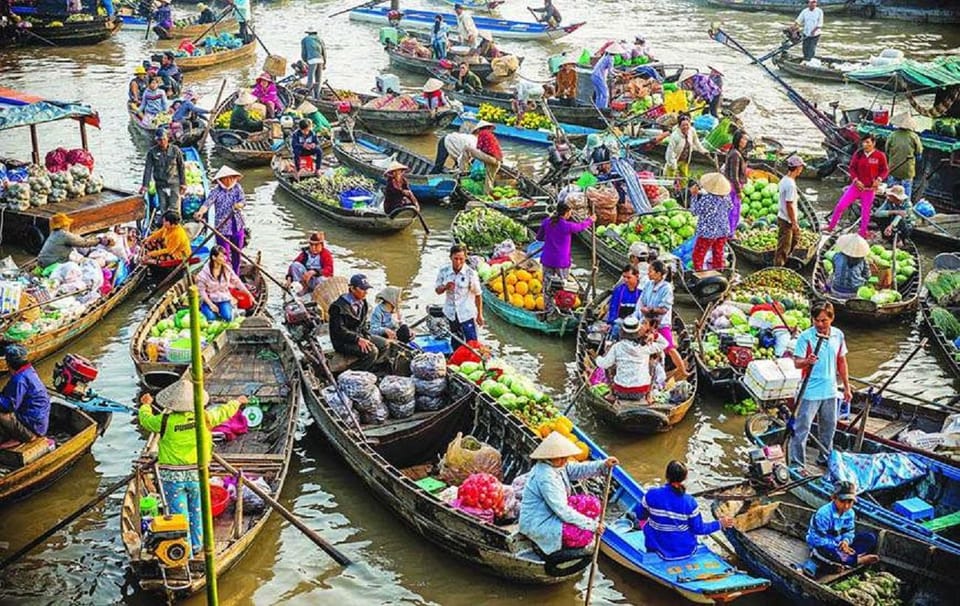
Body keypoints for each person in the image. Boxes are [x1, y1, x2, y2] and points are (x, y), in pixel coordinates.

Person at [138, 377, 244, 556]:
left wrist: (145, 405)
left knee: (179, 514)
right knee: (197, 510)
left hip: (172, 478)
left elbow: (146, 420)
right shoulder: (204, 417)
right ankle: (196, 545)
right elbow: (223, 412)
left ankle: (184, 548)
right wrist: (237, 402)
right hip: (197, 474)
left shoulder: (164, 421)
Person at [519, 432, 618, 557]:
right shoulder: (545, 477)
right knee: (584, 535)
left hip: (552, 509)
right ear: (549, 458)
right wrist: (592, 526)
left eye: (565, 457)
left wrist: (603, 464)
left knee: (593, 504)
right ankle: (552, 546)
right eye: (560, 458)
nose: (564, 461)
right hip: (539, 521)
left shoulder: (558, 466)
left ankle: (582, 525)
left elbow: (578, 469)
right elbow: (562, 510)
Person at [791, 300, 850, 467]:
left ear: (831, 319)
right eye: (816, 320)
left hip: (830, 390)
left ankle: (824, 458)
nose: (820, 324)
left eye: (824, 320)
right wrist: (807, 361)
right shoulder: (806, 337)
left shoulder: (838, 335)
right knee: (802, 429)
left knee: (829, 428)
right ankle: (797, 463)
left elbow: (842, 362)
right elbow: (797, 362)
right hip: (809, 391)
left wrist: (846, 387)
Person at [635, 461, 734, 560]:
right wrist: (720, 524)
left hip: (657, 549)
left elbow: (640, 515)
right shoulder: (690, 502)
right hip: (686, 551)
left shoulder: (651, 495)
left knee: (646, 523)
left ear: (666, 476)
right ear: (685, 478)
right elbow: (699, 529)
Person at [806, 481, 879, 573]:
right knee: (827, 551)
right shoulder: (823, 514)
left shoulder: (850, 513)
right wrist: (838, 547)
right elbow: (816, 540)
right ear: (833, 498)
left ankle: (844, 561)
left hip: (840, 545)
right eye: (842, 501)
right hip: (824, 546)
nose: (846, 506)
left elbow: (849, 532)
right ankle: (857, 560)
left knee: (869, 538)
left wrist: (845, 542)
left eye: (850, 502)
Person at [536, 200, 594, 314]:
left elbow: (539, 237)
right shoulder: (567, 226)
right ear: (566, 213)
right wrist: (590, 220)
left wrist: (550, 239)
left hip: (548, 259)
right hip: (561, 262)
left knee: (547, 286)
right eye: (570, 212)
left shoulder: (547, 222)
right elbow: (581, 227)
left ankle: (549, 310)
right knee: (563, 287)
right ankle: (563, 309)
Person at [826, 134, 888, 238]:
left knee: (866, 211)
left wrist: (879, 179)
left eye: (868, 142)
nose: (865, 145)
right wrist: (855, 180)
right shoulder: (858, 154)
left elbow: (885, 170)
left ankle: (863, 232)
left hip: (869, 189)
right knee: (840, 206)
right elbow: (852, 168)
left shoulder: (880, 155)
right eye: (864, 142)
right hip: (856, 187)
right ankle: (831, 227)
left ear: (873, 143)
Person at [596, 315, 668, 402]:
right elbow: (665, 343)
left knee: (610, 366)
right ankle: (649, 395)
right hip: (641, 391)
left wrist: (598, 358)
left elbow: (604, 364)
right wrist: (655, 335)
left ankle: (612, 394)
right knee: (652, 365)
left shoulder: (617, 347)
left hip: (620, 391)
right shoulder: (645, 347)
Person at [636, 260, 687, 376]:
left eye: (651, 271)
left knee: (669, 347)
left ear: (659, 274)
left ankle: (682, 370)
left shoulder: (666, 288)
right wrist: (644, 310)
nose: (648, 273)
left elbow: (665, 308)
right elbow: (642, 300)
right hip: (647, 321)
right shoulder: (649, 284)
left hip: (661, 322)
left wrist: (652, 310)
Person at [328, 274, 388, 372]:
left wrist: (366, 336)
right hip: (343, 341)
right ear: (352, 288)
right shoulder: (338, 307)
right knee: (372, 351)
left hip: (359, 335)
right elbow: (339, 330)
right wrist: (357, 339)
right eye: (362, 289)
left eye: (366, 289)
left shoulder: (363, 303)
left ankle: (370, 366)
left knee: (384, 344)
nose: (365, 293)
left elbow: (363, 324)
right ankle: (354, 372)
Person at [193, 165, 247, 273]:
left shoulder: (237, 188)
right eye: (226, 178)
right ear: (221, 179)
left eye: (231, 177)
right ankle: (225, 275)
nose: (229, 180)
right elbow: (207, 204)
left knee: (237, 252)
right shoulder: (216, 191)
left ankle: (235, 274)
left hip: (237, 224)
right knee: (223, 254)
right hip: (222, 226)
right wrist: (200, 212)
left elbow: (243, 201)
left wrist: (238, 205)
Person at [0, 345, 50, 444]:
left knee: (2, 414)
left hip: (33, 426)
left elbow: (8, 406)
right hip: (38, 422)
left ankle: (26, 436)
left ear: (8, 363)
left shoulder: (19, 380)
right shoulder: (29, 370)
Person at [435, 243, 483, 342]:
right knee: (456, 341)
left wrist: (479, 314)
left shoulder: (470, 274)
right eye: (455, 259)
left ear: (465, 258)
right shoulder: (444, 271)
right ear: (450, 257)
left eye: (461, 259)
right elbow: (437, 291)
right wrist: (445, 287)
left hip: (466, 314)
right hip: (451, 313)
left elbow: (478, 295)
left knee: (472, 342)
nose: (458, 262)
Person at [690, 173, 733, 272]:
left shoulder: (707, 199)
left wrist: (694, 196)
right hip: (722, 230)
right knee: (718, 254)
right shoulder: (726, 197)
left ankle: (699, 274)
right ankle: (719, 272)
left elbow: (694, 211)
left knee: (698, 255)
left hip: (708, 232)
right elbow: (730, 207)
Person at [196, 245, 252, 321]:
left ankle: (230, 309)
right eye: (221, 256)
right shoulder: (204, 274)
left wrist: (248, 294)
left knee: (227, 317)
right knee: (211, 318)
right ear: (214, 258)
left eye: (225, 255)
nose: (225, 258)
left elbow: (237, 282)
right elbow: (202, 291)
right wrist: (211, 305)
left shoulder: (227, 269)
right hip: (209, 300)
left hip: (223, 298)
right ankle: (207, 310)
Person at [141, 129, 185, 220]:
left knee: (175, 208)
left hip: (174, 183)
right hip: (160, 184)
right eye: (159, 140)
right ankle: (165, 228)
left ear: (167, 139)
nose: (162, 142)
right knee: (163, 207)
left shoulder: (175, 150)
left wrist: (183, 183)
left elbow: (181, 167)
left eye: (163, 139)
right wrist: (145, 185)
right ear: (156, 140)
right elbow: (148, 169)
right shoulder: (152, 152)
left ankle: (176, 227)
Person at [38, 213, 111, 268]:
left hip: (42, 261)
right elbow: (84, 243)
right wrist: (99, 240)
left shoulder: (54, 233)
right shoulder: (64, 235)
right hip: (52, 263)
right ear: (65, 225)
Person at [775, 155, 806, 267]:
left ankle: (785, 262)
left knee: (795, 239)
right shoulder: (791, 185)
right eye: (801, 168)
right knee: (784, 247)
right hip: (786, 220)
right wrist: (794, 223)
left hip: (783, 216)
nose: (801, 170)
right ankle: (778, 267)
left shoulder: (785, 179)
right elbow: (789, 205)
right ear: (798, 168)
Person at [885, 112, 923, 200]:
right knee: (906, 194)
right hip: (907, 170)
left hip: (894, 168)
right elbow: (919, 153)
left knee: (891, 191)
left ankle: (890, 205)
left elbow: (887, 150)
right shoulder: (914, 137)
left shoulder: (892, 135)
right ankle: (906, 209)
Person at [285, 231, 333, 296]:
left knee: (322, 280)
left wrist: (314, 272)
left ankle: (317, 294)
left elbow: (329, 270)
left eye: (316, 245)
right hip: (305, 280)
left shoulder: (326, 254)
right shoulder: (305, 253)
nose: (313, 248)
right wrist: (289, 277)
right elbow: (293, 265)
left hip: (317, 280)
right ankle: (301, 288)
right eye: (311, 245)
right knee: (295, 265)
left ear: (321, 245)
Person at [665, 113, 709, 182]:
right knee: (670, 180)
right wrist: (673, 164)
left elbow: (696, 142)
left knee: (684, 179)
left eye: (687, 125)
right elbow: (670, 152)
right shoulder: (675, 136)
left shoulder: (692, 131)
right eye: (683, 125)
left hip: (685, 160)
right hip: (674, 160)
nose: (685, 127)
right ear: (679, 126)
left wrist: (703, 150)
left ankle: (683, 190)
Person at [830, 233, 872, 298]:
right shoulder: (863, 260)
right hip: (855, 293)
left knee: (831, 276)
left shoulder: (837, 256)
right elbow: (867, 276)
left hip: (836, 291)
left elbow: (835, 270)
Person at [605, 265, 643, 337]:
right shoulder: (619, 290)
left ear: (637, 276)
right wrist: (610, 322)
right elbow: (613, 307)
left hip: (636, 323)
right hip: (620, 321)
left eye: (629, 277)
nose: (625, 280)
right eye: (624, 277)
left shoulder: (641, 291)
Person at [723, 130, 748, 236]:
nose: (745, 141)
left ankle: (729, 231)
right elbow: (734, 175)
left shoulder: (735, 152)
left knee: (733, 210)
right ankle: (730, 233)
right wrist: (738, 191)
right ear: (738, 140)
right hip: (733, 187)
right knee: (733, 211)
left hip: (732, 186)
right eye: (743, 139)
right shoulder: (735, 155)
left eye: (746, 139)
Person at [473, 120, 502, 193]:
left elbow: (478, 147)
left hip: (492, 158)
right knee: (490, 178)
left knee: (467, 149)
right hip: (498, 160)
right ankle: (490, 193)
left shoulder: (482, 133)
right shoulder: (490, 135)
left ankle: (462, 169)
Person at [591, 44, 623, 111]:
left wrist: (619, 72)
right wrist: (617, 75)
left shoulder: (605, 56)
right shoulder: (611, 58)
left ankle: (597, 109)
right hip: (599, 76)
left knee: (599, 94)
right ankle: (603, 110)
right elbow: (611, 72)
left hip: (594, 75)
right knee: (605, 94)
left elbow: (611, 69)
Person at [301, 29, 326, 99]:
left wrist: (305, 61)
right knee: (318, 79)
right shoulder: (320, 39)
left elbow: (304, 53)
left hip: (312, 60)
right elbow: (324, 52)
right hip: (321, 60)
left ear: (308, 33)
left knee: (310, 78)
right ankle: (317, 96)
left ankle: (310, 95)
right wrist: (324, 63)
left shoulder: (305, 40)